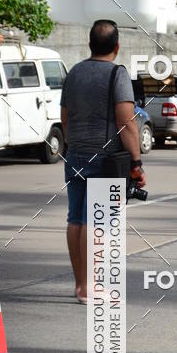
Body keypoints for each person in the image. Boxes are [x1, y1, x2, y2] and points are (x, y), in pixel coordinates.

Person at [61, 20, 145, 303]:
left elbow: (64, 116)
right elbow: (126, 122)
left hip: (74, 154)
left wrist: (74, 145)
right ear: (117, 47)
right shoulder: (117, 74)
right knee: (95, 222)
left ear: (89, 45)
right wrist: (137, 162)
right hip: (105, 159)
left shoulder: (73, 73)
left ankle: (80, 284)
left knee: (75, 219)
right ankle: (90, 288)